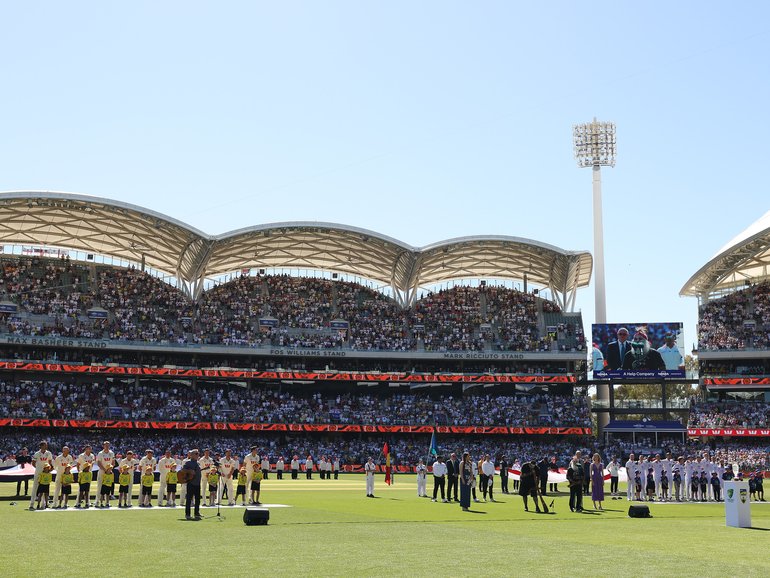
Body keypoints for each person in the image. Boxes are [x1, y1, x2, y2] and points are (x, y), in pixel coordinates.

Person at [29, 441, 53, 511]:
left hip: (46, 473)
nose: (46, 446)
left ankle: (43, 504)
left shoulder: (48, 453)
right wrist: (38, 469)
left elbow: (50, 462)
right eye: (45, 445)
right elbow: (33, 463)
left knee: (45, 488)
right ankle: (31, 504)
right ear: (41, 446)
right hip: (38, 473)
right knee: (35, 488)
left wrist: (48, 470)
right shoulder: (37, 453)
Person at [182, 449, 202, 521]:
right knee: (189, 499)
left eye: (198, 454)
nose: (198, 455)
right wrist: (190, 471)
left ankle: (196, 513)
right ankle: (187, 514)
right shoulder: (188, 463)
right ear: (192, 455)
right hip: (191, 483)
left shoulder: (198, 463)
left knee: (197, 500)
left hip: (197, 483)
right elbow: (183, 470)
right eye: (196, 454)